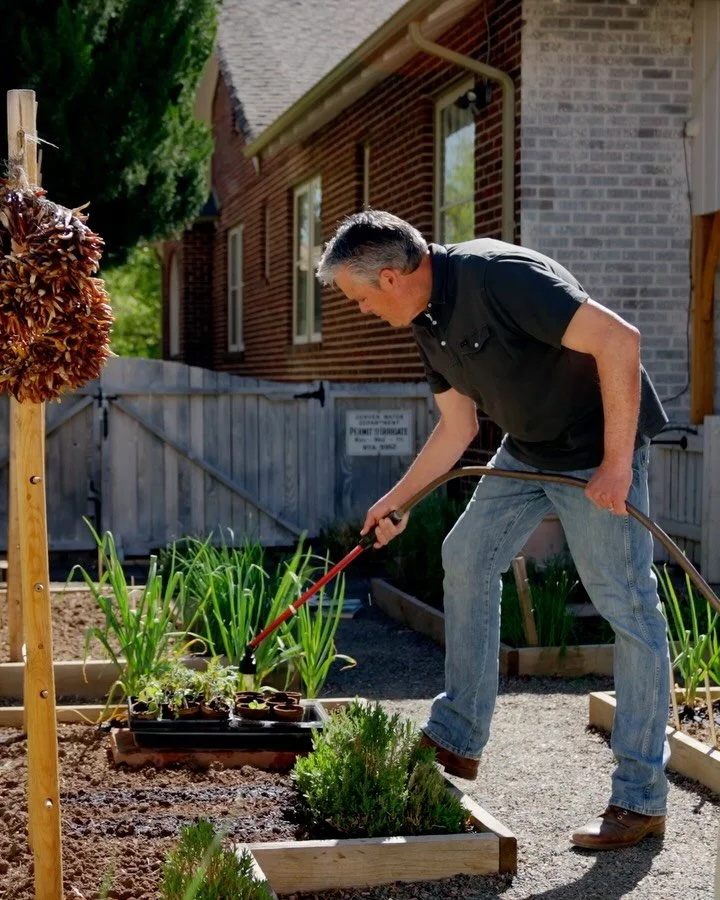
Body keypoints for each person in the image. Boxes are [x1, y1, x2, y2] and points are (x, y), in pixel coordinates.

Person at [316, 209, 671, 851]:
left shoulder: (499, 278)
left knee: (627, 606)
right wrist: (397, 502)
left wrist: (619, 463)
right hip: (528, 449)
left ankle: (640, 800)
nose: (362, 311)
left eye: (360, 298)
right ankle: (457, 737)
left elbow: (619, 341)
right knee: (467, 554)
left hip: (595, 448)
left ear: (391, 277)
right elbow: (457, 428)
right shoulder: (425, 322)